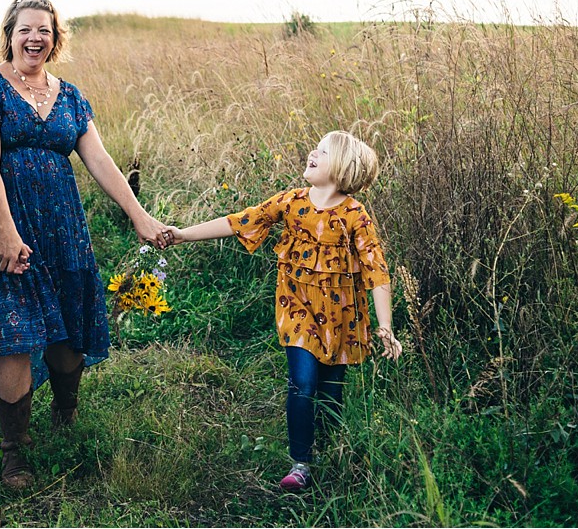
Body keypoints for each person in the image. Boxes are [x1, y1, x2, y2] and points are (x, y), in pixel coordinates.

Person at [0, 0, 168, 489]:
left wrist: (138, 215)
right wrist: (5, 231)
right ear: (9, 34)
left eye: (45, 31)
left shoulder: (70, 96)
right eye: (26, 30)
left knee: (67, 333)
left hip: (65, 229)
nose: (35, 39)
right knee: (14, 333)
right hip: (10, 226)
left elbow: (100, 161)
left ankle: (65, 413)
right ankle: (15, 450)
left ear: (56, 38)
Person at [161, 130, 402, 493]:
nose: (312, 152)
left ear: (342, 167)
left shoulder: (355, 216)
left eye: (323, 151)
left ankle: (334, 451)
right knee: (303, 383)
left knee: (331, 391)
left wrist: (385, 326)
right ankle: (301, 462)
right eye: (316, 148)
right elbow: (240, 221)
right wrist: (182, 234)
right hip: (297, 309)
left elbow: (376, 270)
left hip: (341, 318)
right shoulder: (291, 202)